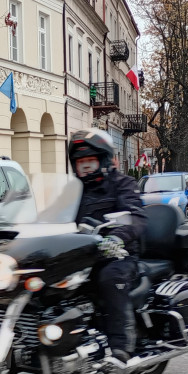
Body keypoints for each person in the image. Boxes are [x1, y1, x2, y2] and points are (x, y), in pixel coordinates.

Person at [69, 129, 147, 361]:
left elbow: (136, 217)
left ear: (103, 160)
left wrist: (117, 237)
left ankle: (121, 345)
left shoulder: (123, 184)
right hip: (82, 255)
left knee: (110, 278)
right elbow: (51, 215)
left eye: (90, 161)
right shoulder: (73, 191)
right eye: (80, 162)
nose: (85, 167)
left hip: (118, 255)